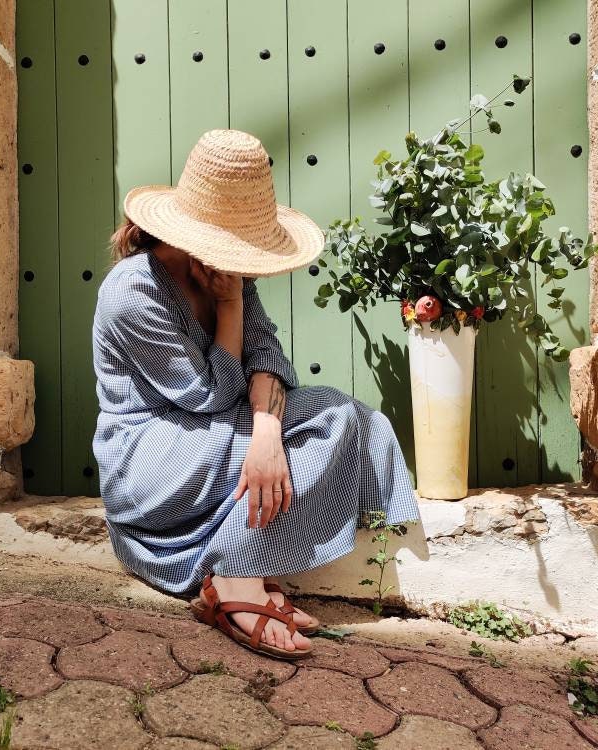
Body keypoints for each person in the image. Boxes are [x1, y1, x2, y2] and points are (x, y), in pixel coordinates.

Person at [92, 129, 419, 660]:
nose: (241, 267)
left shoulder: (230, 266)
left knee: (342, 416)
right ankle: (239, 580)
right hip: (150, 455)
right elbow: (210, 397)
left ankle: (235, 563)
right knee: (325, 419)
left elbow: (268, 356)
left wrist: (267, 434)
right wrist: (228, 308)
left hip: (219, 437)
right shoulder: (133, 290)